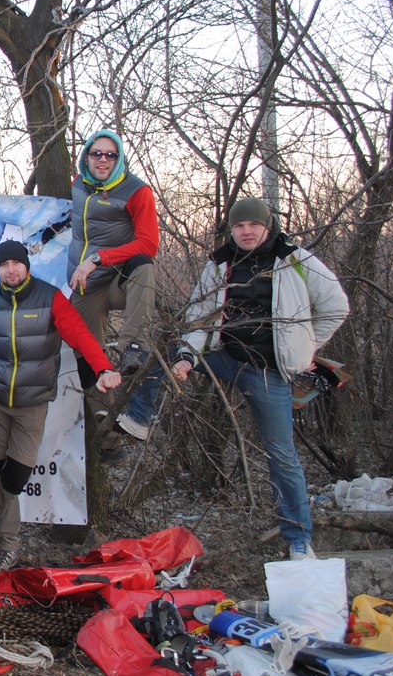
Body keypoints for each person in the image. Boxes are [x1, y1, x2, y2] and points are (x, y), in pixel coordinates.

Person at [121, 198, 349, 559]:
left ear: (266, 226)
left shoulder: (295, 259)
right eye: (239, 226)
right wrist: (186, 357)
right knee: (164, 354)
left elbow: (336, 305)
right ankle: (138, 418)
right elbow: (199, 316)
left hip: (267, 370)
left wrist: (304, 348)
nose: (245, 231)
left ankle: (299, 539)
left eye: (253, 226)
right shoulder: (220, 263)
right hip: (224, 355)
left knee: (281, 454)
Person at [0, 241, 121, 571]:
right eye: (4, 264)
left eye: (16, 263)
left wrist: (103, 368)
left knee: (15, 476)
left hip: (32, 404)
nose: (11, 269)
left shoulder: (50, 298)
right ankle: (5, 545)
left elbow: (80, 335)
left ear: (27, 266)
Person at [67, 129, 160, 385]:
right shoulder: (79, 183)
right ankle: (102, 415)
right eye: (96, 153)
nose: (103, 159)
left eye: (111, 154)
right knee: (88, 360)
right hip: (87, 287)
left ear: (119, 158)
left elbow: (149, 244)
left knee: (144, 265)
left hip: (119, 279)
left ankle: (134, 347)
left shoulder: (137, 191)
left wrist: (97, 259)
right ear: (86, 157)